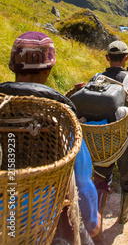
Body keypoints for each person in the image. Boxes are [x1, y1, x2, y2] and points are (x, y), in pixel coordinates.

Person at [0, 31, 101, 245]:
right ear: (49, 68)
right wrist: (92, 223)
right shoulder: (63, 118)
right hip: (43, 225)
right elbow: (82, 182)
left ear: (12, 66)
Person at [91, 40, 128, 225]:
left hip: (101, 140)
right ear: (126, 58)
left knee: (100, 179)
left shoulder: (96, 78)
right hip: (126, 139)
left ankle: (97, 223)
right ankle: (124, 215)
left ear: (107, 58)